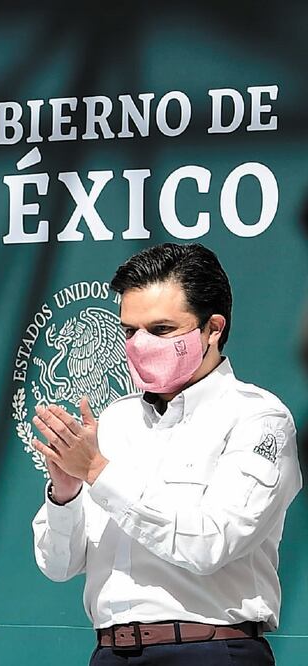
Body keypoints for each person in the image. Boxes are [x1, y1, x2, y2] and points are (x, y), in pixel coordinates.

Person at [31, 243, 301, 665]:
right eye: (128, 330)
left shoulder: (258, 418)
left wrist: (98, 473)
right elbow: (58, 565)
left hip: (210, 649)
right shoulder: (114, 420)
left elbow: (211, 544)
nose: (139, 345)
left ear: (212, 328)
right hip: (109, 652)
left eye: (160, 330)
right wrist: (65, 494)